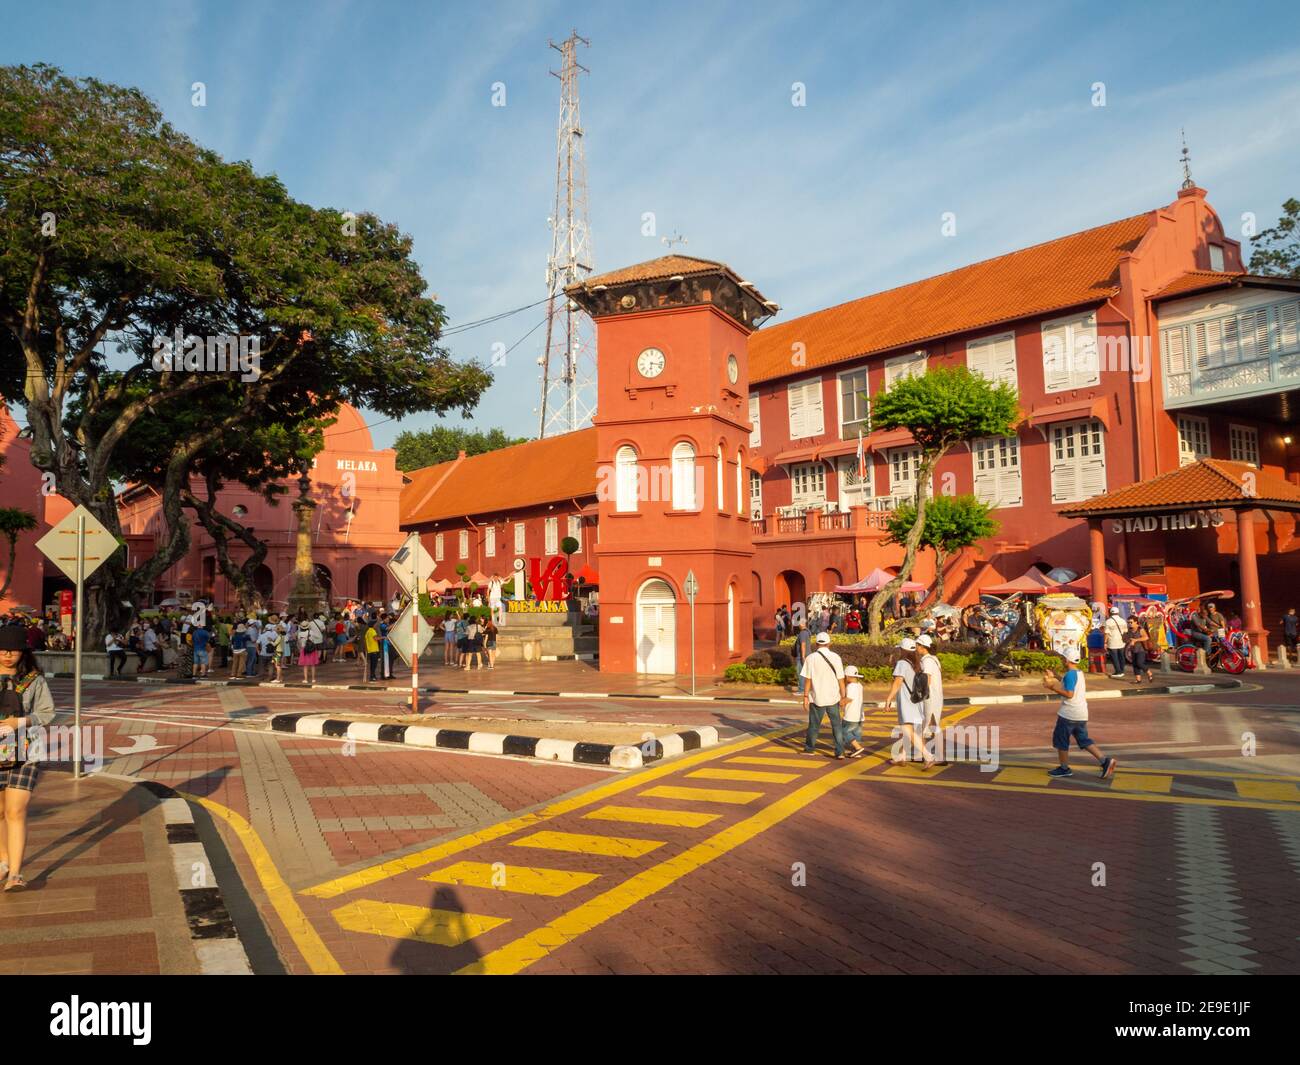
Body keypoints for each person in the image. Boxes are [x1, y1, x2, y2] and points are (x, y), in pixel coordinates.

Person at [0, 625, 56, 891]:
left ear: (23, 652)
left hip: (27, 752)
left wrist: (19, 721)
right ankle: (3, 860)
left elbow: (47, 713)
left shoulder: (34, 680)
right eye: (3, 650)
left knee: (15, 810)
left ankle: (15, 874)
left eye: (14, 650)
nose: (8, 655)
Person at [1043, 643, 1116, 779]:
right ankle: (1105, 761)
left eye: (1063, 658)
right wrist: (1055, 676)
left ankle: (1064, 768)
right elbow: (1068, 682)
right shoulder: (1078, 673)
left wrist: (1051, 687)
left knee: (1061, 740)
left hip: (1068, 714)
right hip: (1081, 714)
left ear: (1067, 660)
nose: (1062, 660)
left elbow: (1069, 693)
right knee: (1084, 740)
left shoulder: (1070, 675)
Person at [884, 637, 934, 769]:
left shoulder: (902, 663)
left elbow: (898, 682)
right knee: (911, 731)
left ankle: (928, 756)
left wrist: (889, 698)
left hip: (906, 701)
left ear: (903, 650)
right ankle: (902, 756)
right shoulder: (918, 663)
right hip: (917, 701)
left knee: (908, 730)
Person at [800, 632, 847, 759]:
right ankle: (840, 751)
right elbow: (841, 679)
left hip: (817, 698)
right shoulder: (836, 657)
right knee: (836, 726)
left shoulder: (811, 658)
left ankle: (810, 749)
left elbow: (808, 680)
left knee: (814, 726)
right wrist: (844, 697)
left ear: (816, 644)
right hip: (833, 697)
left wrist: (805, 697)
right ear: (829, 643)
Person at [917, 633, 945, 763]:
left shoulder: (927, 661)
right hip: (936, 697)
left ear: (923, 647)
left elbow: (927, 678)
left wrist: (920, 694)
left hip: (930, 697)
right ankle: (939, 756)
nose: (916, 647)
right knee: (934, 726)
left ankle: (923, 755)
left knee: (923, 726)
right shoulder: (934, 659)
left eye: (917, 645)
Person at [841, 665, 867, 758]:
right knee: (856, 734)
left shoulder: (851, 686)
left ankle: (858, 747)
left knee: (844, 732)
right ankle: (855, 751)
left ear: (848, 676)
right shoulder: (859, 685)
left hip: (851, 715)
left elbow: (849, 699)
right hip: (859, 715)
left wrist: (839, 703)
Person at [1125, 615, 1154, 683]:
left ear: (1136, 622)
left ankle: (1149, 672)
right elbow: (1127, 638)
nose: (1129, 624)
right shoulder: (1129, 629)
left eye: (1131, 622)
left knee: (1139, 663)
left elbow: (1146, 637)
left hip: (1141, 649)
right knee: (1134, 664)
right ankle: (1138, 679)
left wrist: (1135, 640)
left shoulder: (1140, 629)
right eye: (1128, 622)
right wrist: (1128, 640)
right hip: (1133, 649)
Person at [299, 613, 325, 684]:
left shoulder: (300, 634)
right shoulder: (312, 632)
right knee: (313, 665)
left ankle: (306, 679)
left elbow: (299, 642)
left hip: (304, 649)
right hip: (312, 649)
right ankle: (313, 679)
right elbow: (314, 639)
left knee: (305, 666)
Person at [1102, 606, 1127, 678]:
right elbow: (1126, 631)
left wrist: (1105, 642)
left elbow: (1106, 633)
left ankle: (1118, 672)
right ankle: (1122, 670)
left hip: (1112, 642)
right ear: (1118, 612)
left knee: (1114, 657)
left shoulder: (1108, 622)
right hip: (1122, 642)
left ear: (1110, 613)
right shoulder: (1123, 620)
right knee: (1121, 657)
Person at [791, 621, 812, 695]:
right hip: (807, 655)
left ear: (801, 624)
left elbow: (803, 644)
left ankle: (801, 690)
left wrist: (802, 656)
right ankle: (805, 689)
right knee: (806, 673)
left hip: (802, 656)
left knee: (800, 673)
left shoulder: (802, 633)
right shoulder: (808, 632)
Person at [363, 617, 381, 682]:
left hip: (370, 650)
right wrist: (383, 638)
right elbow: (375, 638)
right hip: (374, 650)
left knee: (372, 664)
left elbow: (365, 640)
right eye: (376, 624)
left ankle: (372, 676)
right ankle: (372, 676)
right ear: (373, 625)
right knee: (374, 664)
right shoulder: (373, 631)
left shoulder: (368, 631)